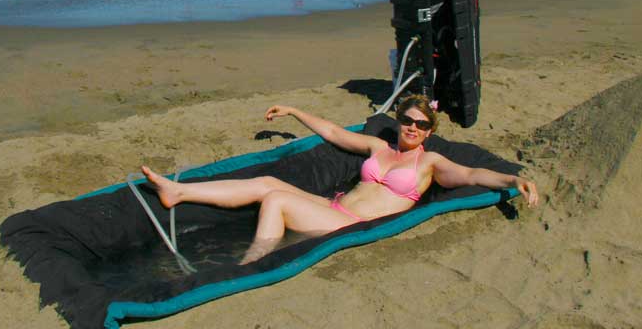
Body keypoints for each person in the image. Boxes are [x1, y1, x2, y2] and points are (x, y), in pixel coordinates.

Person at [142, 95, 539, 264]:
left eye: (421, 125)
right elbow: (333, 132)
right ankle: (178, 191)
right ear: (399, 120)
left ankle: (251, 263)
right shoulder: (378, 146)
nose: (412, 128)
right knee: (266, 182)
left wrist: (511, 180)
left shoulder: (430, 163)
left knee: (276, 201)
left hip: (353, 223)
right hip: (333, 207)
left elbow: (470, 173)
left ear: (429, 130)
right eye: (407, 120)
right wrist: (294, 111)